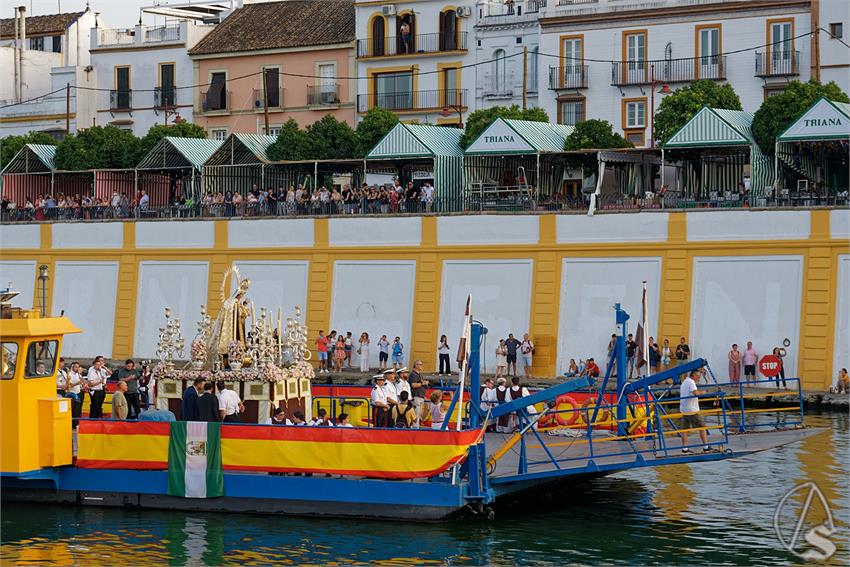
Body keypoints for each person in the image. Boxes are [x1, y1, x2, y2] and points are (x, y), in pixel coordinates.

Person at [679, 370, 711, 453]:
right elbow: (695, 393)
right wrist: (704, 392)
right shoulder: (691, 382)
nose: (699, 379)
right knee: (702, 428)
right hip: (692, 410)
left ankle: (684, 448)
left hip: (684, 409)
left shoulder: (685, 381)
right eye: (698, 377)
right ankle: (706, 447)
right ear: (694, 376)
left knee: (684, 430)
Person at [409, 360, 428, 427]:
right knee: (416, 413)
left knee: (419, 412)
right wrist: (423, 383)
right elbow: (413, 385)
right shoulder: (413, 374)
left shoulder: (419, 374)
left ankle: (417, 424)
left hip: (420, 395)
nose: (421, 366)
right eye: (420, 364)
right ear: (416, 365)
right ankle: (415, 427)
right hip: (416, 395)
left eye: (421, 364)